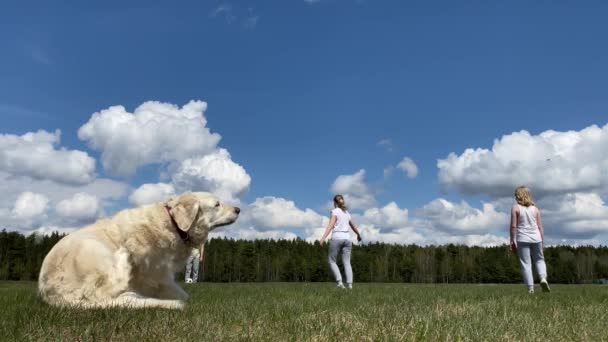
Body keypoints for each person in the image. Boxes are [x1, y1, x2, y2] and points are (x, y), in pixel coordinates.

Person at [510, 186, 550, 293]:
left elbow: (513, 226)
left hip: (522, 238)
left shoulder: (515, 208)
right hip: (536, 238)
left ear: (518, 196)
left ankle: (530, 288)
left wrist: (512, 241)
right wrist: (542, 242)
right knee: (539, 259)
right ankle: (542, 278)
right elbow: (540, 227)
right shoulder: (535, 209)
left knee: (526, 263)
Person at [320, 195, 362, 289]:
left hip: (337, 237)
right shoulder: (347, 213)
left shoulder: (334, 212)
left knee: (332, 261)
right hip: (347, 238)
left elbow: (330, 225)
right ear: (343, 201)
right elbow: (353, 226)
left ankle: (339, 282)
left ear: (335, 203)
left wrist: (323, 238)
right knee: (347, 262)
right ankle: (350, 285)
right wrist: (358, 235)